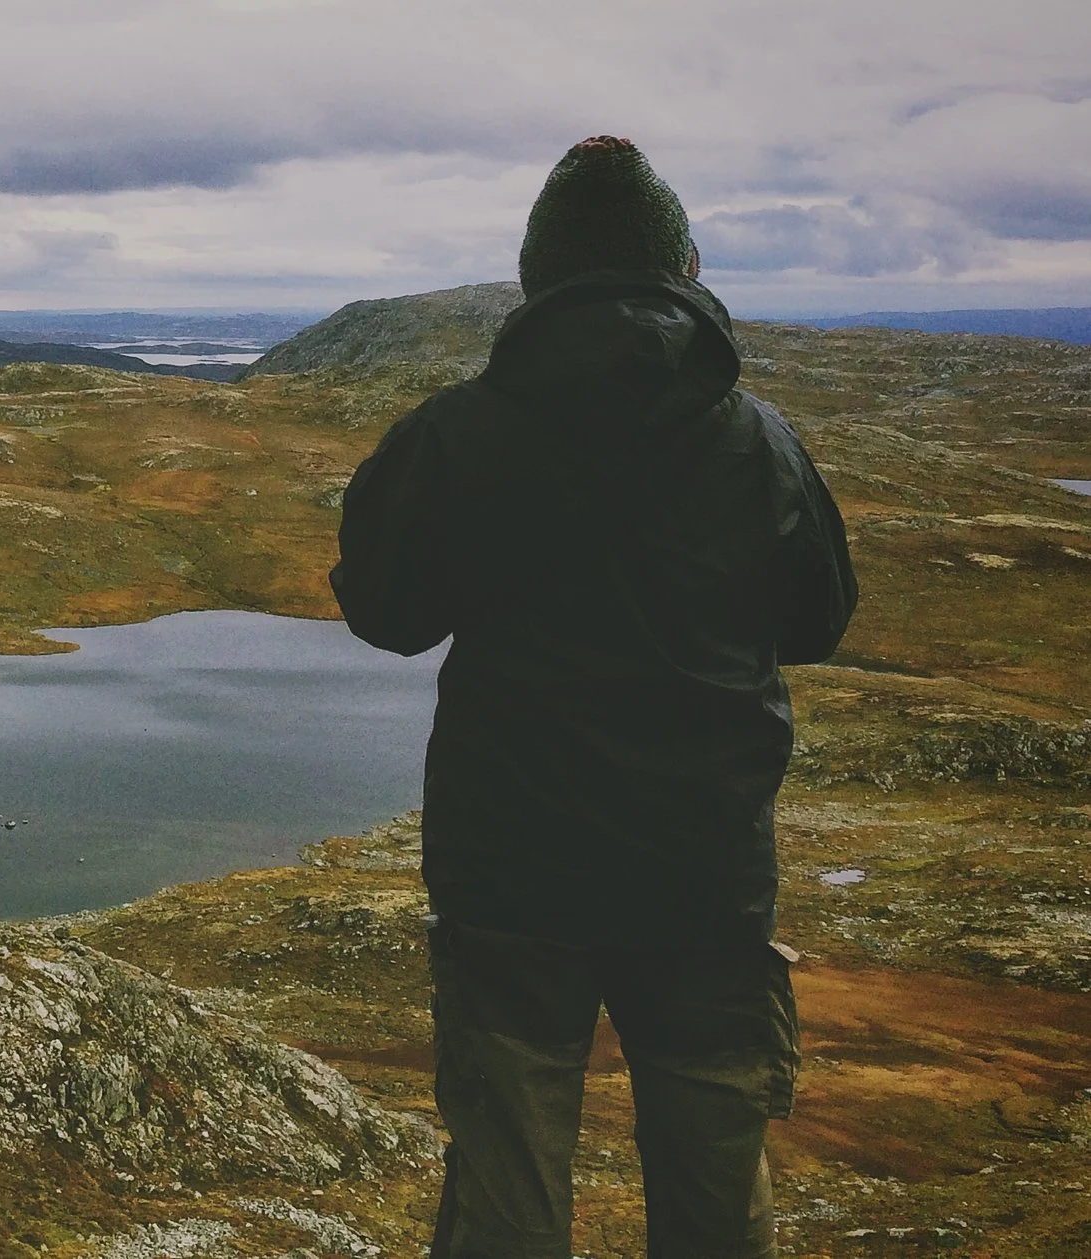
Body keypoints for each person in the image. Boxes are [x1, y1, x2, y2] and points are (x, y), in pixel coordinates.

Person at [330, 136, 858, 1258]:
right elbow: (819, 619)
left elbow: (384, 609)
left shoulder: (461, 433)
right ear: (685, 268)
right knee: (717, 1201)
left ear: (536, 279)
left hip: (511, 882)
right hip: (705, 879)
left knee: (508, 1198)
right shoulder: (759, 441)